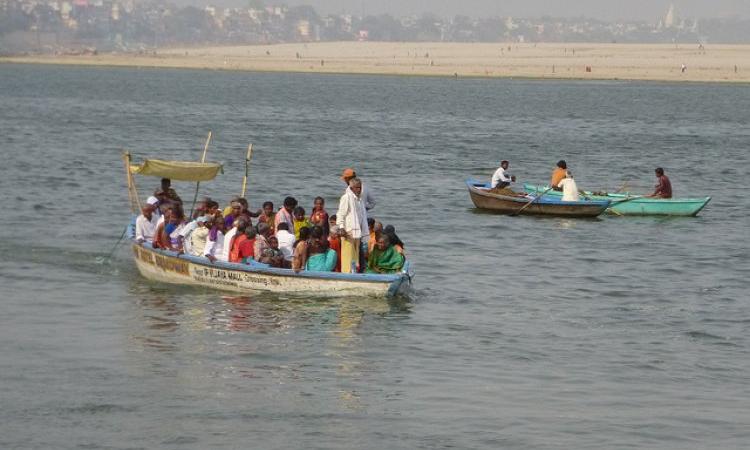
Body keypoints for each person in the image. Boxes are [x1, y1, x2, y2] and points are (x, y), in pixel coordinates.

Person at [336, 177, 370, 273]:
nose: (359, 189)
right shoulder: (346, 197)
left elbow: (361, 217)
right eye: (356, 188)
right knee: (348, 257)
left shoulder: (359, 200)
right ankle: (346, 274)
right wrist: (341, 228)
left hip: (357, 233)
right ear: (351, 188)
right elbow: (340, 214)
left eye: (360, 187)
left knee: (355, 258)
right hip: (348, 233)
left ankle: (354, 274)